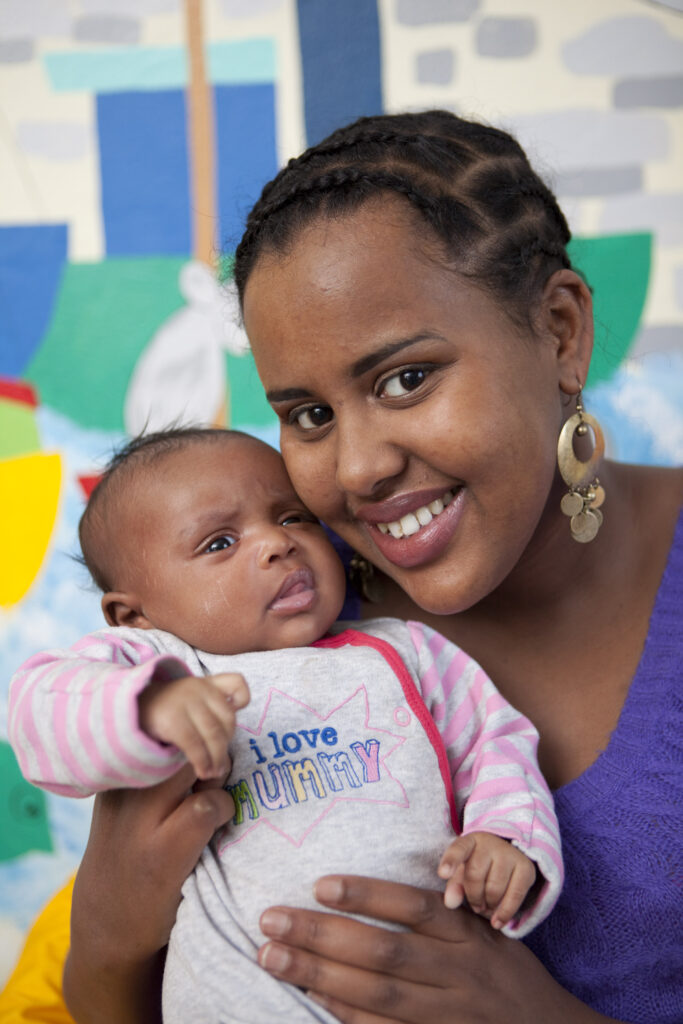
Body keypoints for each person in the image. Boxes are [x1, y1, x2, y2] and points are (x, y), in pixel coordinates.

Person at [63, 110, 682, 1024]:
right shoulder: (278, 612)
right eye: (308, 414)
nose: (357, 471)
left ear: (558, 331)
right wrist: (109, 936)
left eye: (405, 380)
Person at [9, 427, 562, 1022]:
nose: (278, 543)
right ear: (134, 616)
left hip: (420, 982)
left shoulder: (403, 653)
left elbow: (495, 741)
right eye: (220, 542)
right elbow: (40, 710)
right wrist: (145, 709)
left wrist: (505, 839)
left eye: (293, 517)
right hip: (242, 996)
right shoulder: (163, 669)